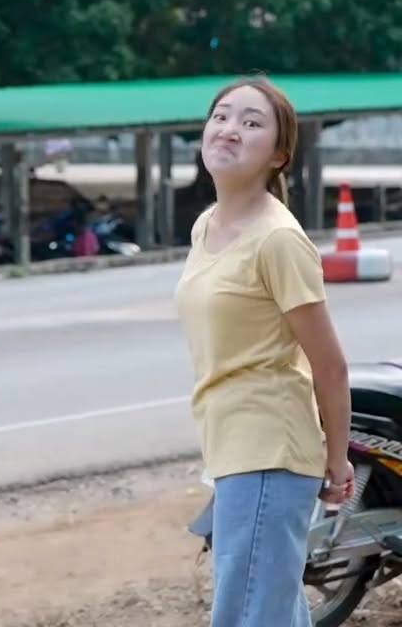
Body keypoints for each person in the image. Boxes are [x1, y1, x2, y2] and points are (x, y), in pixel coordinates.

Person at [174, 76, 354, 626]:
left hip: (269, 448)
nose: (230, 129)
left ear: (278, 156)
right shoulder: (207, 226)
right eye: (222, 116)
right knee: (271, 610)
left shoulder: (277, 240)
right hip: (232, 444)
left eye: (251, 123)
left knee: (248, 613)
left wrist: (337, 460)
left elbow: (329, 364)